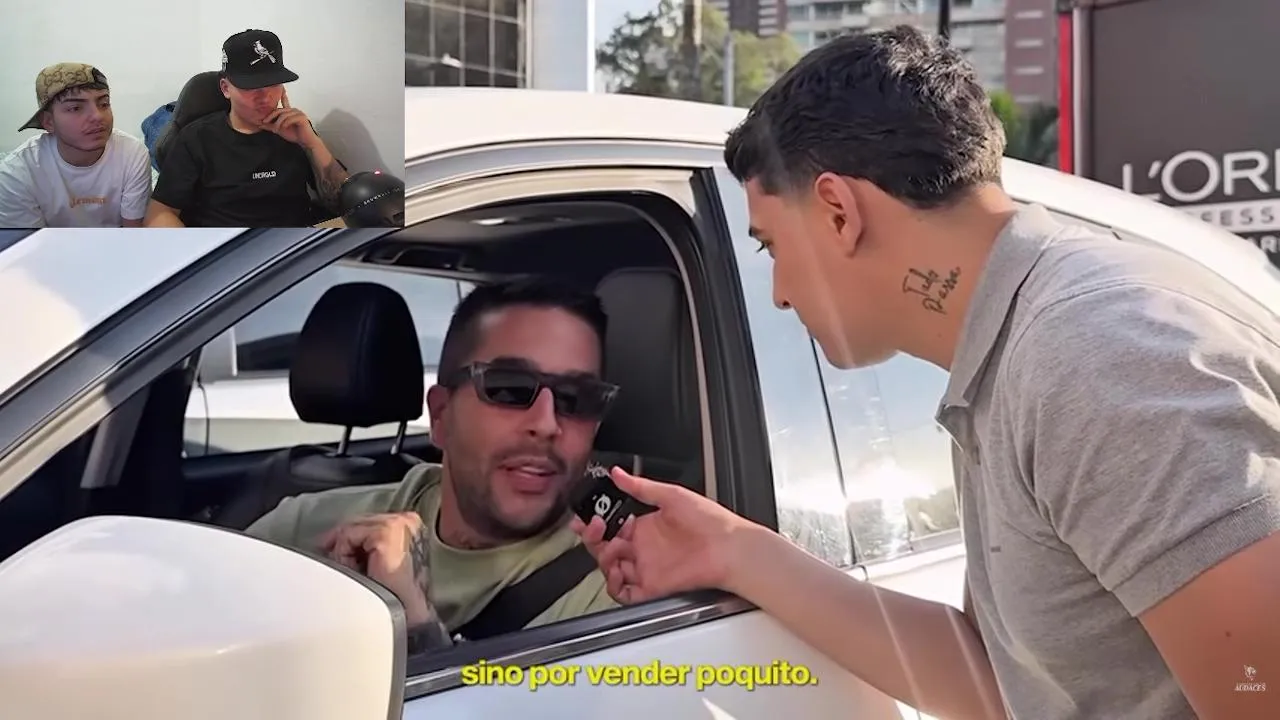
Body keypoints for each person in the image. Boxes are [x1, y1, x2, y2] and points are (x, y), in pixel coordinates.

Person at [574, 26, 1280, 720]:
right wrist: (734, 553)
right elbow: (1003, 684)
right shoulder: (1016, 353)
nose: (780, 293)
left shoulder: (1095, 354)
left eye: (771, 247)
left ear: (838, 211)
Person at [245, 278, 622, 651]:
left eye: (578, 398)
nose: (547, 424)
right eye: (510, 388)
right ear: (441, 416)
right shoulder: (303, 530)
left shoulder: (616, 588)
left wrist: (418, 631)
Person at [145, 29, 348, 228]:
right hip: (230, 244)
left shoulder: (296, 130)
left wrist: (312, 143)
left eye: (274, 84)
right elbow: (159, 214)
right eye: (252, 87)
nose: (265, 98)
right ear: (226, 88)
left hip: (292, 244)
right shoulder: (196, 138)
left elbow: (341, 202)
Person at [0, 63, 151, 228]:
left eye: (104, 104)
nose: (97, 116)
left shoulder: (132, 155)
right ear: (48, 122)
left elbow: (134, 234)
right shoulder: (17, 173)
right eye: (75, 108)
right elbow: (31, 242)